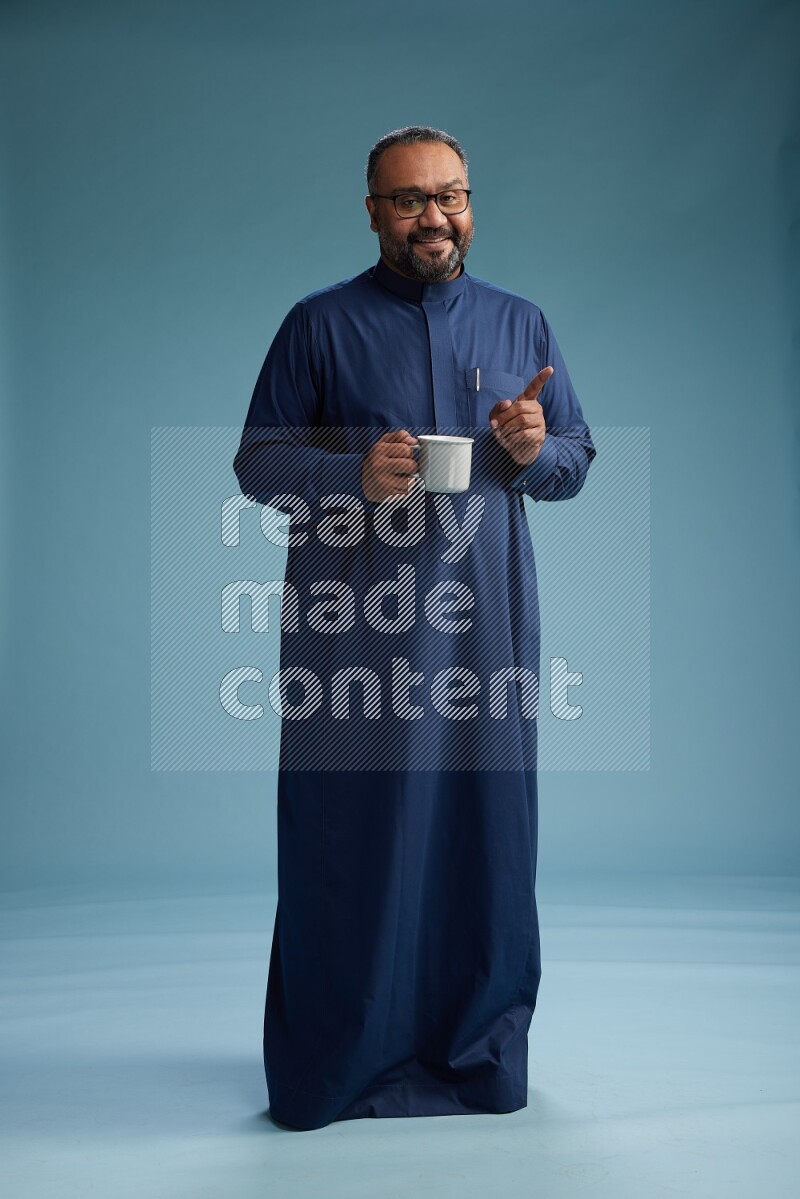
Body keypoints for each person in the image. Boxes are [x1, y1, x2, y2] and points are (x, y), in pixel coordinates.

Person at [233, 125, 595, 1130]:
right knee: (348, 840)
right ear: (372, 212)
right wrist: (345, 475)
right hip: (354, 633)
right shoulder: (319, 325)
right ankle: (338, 1064)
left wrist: (534, 448)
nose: (433, 215)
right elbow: (257, 460)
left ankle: (473, 1058)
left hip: (484, 635)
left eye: (451, 195)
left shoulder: (519, 323)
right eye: (408, 200)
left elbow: (574, 456)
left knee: (483, 839)